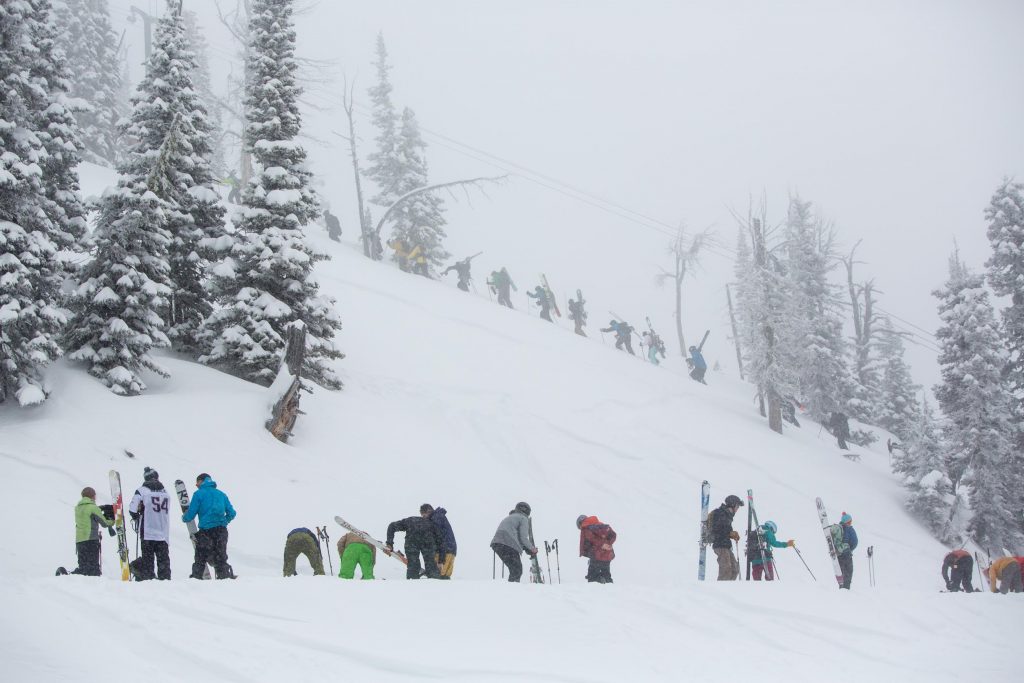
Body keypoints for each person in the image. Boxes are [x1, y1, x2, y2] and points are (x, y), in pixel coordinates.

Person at [182, 473, 237, 580]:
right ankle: (224, 579)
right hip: (221, 531)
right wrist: (224, 521)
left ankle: (196, 580)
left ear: (201, 481)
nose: (196, 485)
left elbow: (190, 515)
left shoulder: (198, 494)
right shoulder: (221, 494)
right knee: (221, 558)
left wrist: (184, 517)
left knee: (200, 557)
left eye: (197, 482)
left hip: (206, 532)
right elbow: (232, 513)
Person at [127, 467, 171, 581]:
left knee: (148, 560)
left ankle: (148, 580)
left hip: (147, 531)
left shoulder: (142, 491)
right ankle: (166, 581)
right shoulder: (165, 492)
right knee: (163, 561)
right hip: (163, 532)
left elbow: (132, 509)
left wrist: (137, 515)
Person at [67, 486, 115, 576]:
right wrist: (112, 520)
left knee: (83, 567)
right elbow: (104, 523)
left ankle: (74, 578)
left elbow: (87, 516)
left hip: (79, 541)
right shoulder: (93, 508)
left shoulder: (77, 508)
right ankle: (93, 584)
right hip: (91, 539)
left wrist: (100, 508)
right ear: (93, 496)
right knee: (93, 568)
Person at [385, 506, 443, 580]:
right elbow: (441, 542)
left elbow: (392, 526)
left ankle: (412, 583)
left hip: (412, 542)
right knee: (431, 565)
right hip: (427, 542)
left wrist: (389, 544)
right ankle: (435, 584)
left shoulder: (410, 520)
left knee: (413, 565)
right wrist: (441, 561)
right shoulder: (432, 524)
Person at [490, 502, 538, 583]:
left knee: (514, 569)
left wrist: (527, 549)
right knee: (517, 570)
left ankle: (510, 589)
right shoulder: (523, 518)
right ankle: (513, 591)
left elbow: (517, 537)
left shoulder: (510, 517)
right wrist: (532, 549)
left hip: (497, 543)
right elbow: (523, 538)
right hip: (509, 543)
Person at [710, 494, 743, 581]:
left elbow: (727, 530)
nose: (738, 508)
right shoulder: (720, 513)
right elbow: (717, 529)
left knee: (735, 569)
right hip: (720, 544)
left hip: (726, 545)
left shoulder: (728, 516)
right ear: (732, 504)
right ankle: (721, 589)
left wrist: (733, 534)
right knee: (726, 569)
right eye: (737, 506)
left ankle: (728, 588)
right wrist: (730, 533)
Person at [576, 514, 617, 584]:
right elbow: (613, 535)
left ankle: (599, 581)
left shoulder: (585, 527)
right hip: (607, 554)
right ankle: (609, 586)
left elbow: (592, 539)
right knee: (606, 575)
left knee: (592, 578)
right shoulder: (601, 525)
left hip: (596, 554)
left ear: (580, 523)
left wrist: (602, 545)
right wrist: (609, 544)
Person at [423, 504, 457, 579]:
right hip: (451, 549)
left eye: (423, 515)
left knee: (438, 575)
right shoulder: (440, 516)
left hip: (444, 551)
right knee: (445, 576)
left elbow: (437, 537)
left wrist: (440, 560)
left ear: (428, 511)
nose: (423, 518)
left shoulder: (435, 518)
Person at [832, 512, 858, 589]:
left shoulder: (839, 528)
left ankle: (842, 587)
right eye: (850, 521)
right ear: (847, 522)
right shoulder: (849, 529)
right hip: (846, 554)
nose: (850, 523)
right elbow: (854, 542)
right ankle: (845, 590)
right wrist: (850, 549)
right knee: (848, 572)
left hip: (839, 555)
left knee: (842, 572)